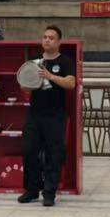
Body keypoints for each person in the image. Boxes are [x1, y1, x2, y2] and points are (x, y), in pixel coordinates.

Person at [18, 25, 75, 207]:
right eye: (45, 37)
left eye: (51, 38)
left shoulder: (65, 61)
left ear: (58, 42)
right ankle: (32, 190)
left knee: (53, 154)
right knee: (28, 150)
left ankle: (49, 193)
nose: (47, 40)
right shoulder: (34, 62)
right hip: (34, 114)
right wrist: (25, 84)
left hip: (55, 115)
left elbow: (71, 83)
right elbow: (27, 89)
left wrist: (50, 76)